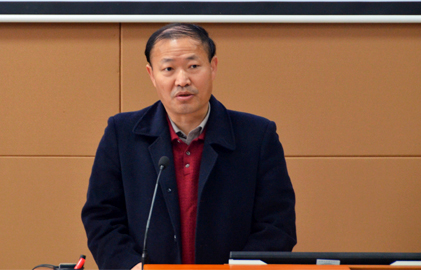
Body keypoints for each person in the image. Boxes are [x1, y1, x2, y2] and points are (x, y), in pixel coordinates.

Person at [81, 23, 296, 269]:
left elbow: (277, 224)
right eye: (168, 69)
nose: (182, 80)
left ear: (213, 67)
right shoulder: (122, 134)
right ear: (152, 75)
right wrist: (130, 266)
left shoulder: (257, 136)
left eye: (193, 66)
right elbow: (101, 217)